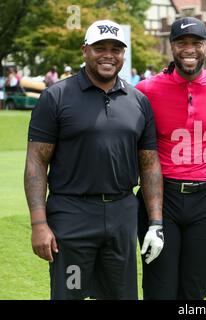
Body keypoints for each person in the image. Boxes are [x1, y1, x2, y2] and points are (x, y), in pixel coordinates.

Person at [24, 19, 163, 300]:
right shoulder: (56, 97)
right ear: (85, 50)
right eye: (100, 47)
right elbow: (37, 162)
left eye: (116, 48)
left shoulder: (138, 101)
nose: (108, 55)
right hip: (73, 217)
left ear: (124, 55)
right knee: (71, 293)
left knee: (121, 295)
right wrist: (39, 224)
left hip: (122, 216)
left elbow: (149, 163)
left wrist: (156, 223)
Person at [135, 16, 206, 300]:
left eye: (196, 43)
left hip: (204, 201)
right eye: (182, 43)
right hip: (160, 198)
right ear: (172, 47)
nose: (189, 49)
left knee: (194, 290)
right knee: (160, 288)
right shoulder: (146, 90)